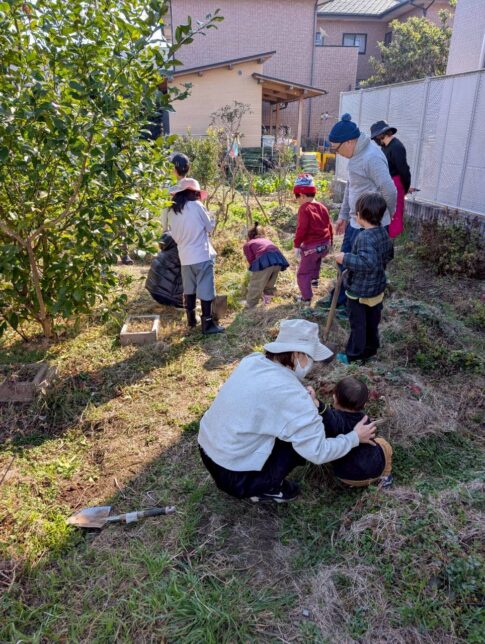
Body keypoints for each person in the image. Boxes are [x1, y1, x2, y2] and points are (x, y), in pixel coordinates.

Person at [198, 319, 377, 503]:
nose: (311, 364)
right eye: (311, 358)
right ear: (298, 354)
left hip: (207, 450)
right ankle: (266, 488)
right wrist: (355, 437)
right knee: (299, 442)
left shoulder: (252, 361)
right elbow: (319, 452)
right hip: (237, 477)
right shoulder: (295, 397)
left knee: (294, 427)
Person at [317, 114, 397, 314]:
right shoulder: (355, 156)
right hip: (355, 222)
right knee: (345, 262)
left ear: (349, 141)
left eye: (337, 149)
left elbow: (389, 190)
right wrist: (344, 215)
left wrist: (384, 217)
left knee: (362, 269)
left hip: (370, 226)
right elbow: (352, 187)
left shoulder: (371, 157)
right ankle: (339, 299)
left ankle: (354, 307)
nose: (337, 153)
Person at [334, 192, 394, 364]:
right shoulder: (383, 232)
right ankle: (371, 349)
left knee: (358, 324)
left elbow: (367, 263)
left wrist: (345, 258)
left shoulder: (364, 237)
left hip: (360, 291)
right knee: (372, 321)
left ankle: (354, 355)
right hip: (377, 288)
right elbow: (389, 254)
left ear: (361, 215)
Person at [166, 178, 224, 334]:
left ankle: (191, 320)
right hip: (201, 255)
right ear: (192, 192)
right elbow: (209, 228)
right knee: (206, 290)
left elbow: (170, 232)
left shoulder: (172, 210)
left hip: (184, 257)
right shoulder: (197, 206)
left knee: (189, 289)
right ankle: (207, 325)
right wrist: (212, 219)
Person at [320, 377, 393, 487]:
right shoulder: (364, 419)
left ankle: (350, 483)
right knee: (383, 443)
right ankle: (386, 476)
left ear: (335, 398)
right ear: (364, 404)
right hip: (377, 470)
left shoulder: (332, 423)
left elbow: (326, 417)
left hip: (348, 477)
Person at [293, 174, 333, 304]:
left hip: (312, 247)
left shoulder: (304, 208)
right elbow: (329, 225)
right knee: (316, 261)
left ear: (302, 195)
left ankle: (306, 297)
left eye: (296, 197)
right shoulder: (322, 207)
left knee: (302, 273)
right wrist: (331, 242)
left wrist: (297, 245)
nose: (297, 200)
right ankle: (314, 281)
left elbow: (302, 229)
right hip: (325, 244)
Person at [371, 120, 411, 239]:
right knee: (384, 213)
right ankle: (384, 238)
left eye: (375, 138)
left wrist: (405, 188)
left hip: (396, 183)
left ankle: (390, 240)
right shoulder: (385, 147)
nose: (376, 141)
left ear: (381, 135)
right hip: (386, 183)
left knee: (395, 213)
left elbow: (404, 170)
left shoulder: (396, 146)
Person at [243, 222, 289, 308]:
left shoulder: (248, 244)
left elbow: (251, 259)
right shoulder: (267, 240)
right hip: (278, 260)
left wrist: (254, 270)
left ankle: (250, 305)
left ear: (249, 236)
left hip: (265, 260)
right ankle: (267, 302)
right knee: (269, 284)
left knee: (256, 284)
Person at [145, 233, 184, 309]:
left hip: (153, 291)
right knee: (190, 272)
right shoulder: (178, 251)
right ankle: (179, 302)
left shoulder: (164, 251)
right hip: (166, 296)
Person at [162, 153, 191, 232]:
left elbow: (164, 212)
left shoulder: (169, 188)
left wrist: (165, 230)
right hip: (191, 230)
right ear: (188, 168)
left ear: (173, 169)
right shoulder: (193, 185)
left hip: (174, 231)